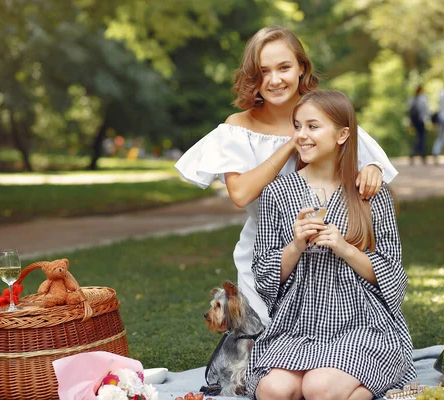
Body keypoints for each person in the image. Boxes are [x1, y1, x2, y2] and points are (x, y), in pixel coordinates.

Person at [174, 26, 398, 326]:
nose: (275, 80)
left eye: (284, 68)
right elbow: (240, 195)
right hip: (267, 255)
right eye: (264, 71)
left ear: (301, 68)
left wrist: (372, 167)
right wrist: (290, 143)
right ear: (254, 77)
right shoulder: (237, 127)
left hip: (328, 257)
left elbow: (360, 154)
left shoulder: (323, 113)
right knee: (267, 349)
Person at [247, 90, 415, 400]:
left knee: (318, 387)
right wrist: (295, 245)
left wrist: (344, 247)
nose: (302, 135)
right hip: (298, 325)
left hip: (361, 325)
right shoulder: (277, 193)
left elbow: (393, 275)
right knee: (273, 390)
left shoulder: (369, 191)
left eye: (313, 126)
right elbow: (264, 276)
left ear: (342, 135)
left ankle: (366, 388)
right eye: (297, 126)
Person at [408, 85, 430, 165]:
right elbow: (425, 110)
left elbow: (409, 111)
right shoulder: (422, 98)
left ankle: (417, 154)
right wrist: (427, 120)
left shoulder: (412, 99)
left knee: (418, 138)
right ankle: (419, 154)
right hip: (420, 121)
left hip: (414, 122)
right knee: (422, 138)